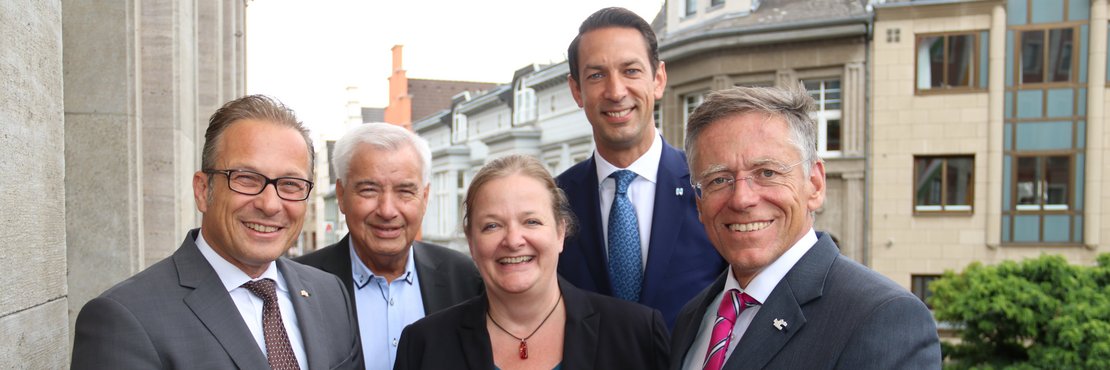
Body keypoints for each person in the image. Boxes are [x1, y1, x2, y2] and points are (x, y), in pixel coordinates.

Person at [71, 95, 363, 369]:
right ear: (202, 190)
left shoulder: (330, 294)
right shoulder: (125, 320)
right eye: (246, 178)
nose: (270, 204)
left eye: (290, 184)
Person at [669, 85, 942, 370]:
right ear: (699, 203)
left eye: (767, 173)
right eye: (719, 179)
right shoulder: (693, 317)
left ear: (815, 184)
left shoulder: (884, 318)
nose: (741, 199)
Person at [395, 154, 669, 370]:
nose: (513, 240)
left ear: (560, 232)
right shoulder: (424, 345)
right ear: (471, 242)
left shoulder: (636, 335)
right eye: (492, 226)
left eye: (531, 222)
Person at [559, 6, 726, 328]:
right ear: (577, 90)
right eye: (596, 75)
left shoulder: (712, 186)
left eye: (631, 71)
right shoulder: (554, 201)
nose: (616, 91)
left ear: (658, 79)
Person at [295, 122, 483, 370]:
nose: (387, 210)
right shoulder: (298, 285)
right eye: (369, 190)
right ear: (341, 195)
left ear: (424, 198)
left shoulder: (465, 278)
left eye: (405, 191)